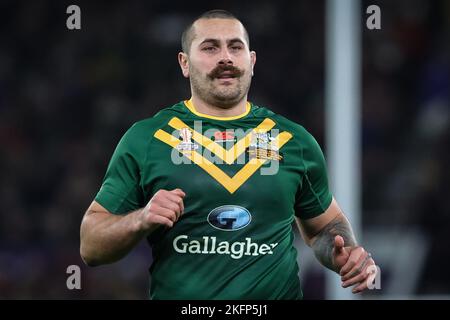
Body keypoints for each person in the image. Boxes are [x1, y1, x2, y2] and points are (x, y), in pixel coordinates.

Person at [80, 9, 376, 299]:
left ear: (252, 60)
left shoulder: (292, 140)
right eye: (210, 47)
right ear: (184, 63)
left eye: (236, 47)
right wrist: (140, 219)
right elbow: (90, 246)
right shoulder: (148, 138)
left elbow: (324, 228)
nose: (225, 57)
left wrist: (344, 253)